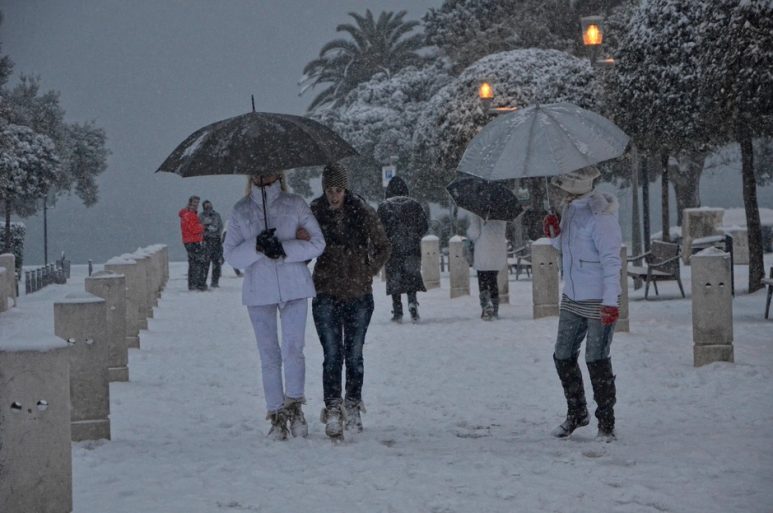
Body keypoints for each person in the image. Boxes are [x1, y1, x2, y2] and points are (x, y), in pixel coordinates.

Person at [223, 172, 325, 440]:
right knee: (268, 355)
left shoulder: (295, 203)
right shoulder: (241, 210)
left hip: (294, 286)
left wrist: (284, 249)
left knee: (294, 349)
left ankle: (295, 406)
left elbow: (318, 243)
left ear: (278, 171)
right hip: (259, 290)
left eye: (269, 168)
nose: (263, 172)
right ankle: (276, 413)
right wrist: (257, 246)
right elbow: (230, 255)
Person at [310, 162, 391, 439]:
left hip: (358, 294)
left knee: (354, 355)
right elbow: (304, 249)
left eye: (338, 190)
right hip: (325, 292)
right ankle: (333, 407)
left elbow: (383, 246)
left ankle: (353, 403)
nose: (334, 195)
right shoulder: (315, 212)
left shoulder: (362, 211)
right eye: (329, 190)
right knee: (332, 355)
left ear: (345, 189)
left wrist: (367, 269)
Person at [543, 166, 621, 442]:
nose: (560, 188)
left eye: (564, 183)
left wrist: (610, 302)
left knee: (596, 360)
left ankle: (606, 423)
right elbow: (567, 249)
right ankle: (577, 412)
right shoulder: (570, 210)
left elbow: (612, 261)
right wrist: (555, 234)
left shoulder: (602, 218)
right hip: (572, 297)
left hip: (599, 299)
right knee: (562, 355)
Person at [377, 176, 428, 323]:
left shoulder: (384, 206)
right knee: (411, 276)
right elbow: (424, 226)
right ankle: (412, 303)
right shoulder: (415, 204)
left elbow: (378, 229)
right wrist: (415, 237)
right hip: (412, 248)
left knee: (395, 278)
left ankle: (397, 310)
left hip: (392, 250)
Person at [466, 213, 507, 320]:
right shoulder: (502, 212)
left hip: (483, 251)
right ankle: (495, 308)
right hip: (497, 251)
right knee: (493, 281)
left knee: (483, 281)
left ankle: (486, 306)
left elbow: (474, 233)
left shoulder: (478, 213)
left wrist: (468, 232)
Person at [179, 195, 208, 291]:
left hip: (191, 240)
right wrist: (202, 226)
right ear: (190, 203)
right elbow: (193, 229)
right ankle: (197, 284)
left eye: (197, 203)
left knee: (194, 263)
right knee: (198, 262)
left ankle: (194, 284)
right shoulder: (188, 215)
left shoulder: (189, 214)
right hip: (192, 241)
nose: (196, 205)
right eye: (194, 202)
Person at [199, 200, 224, 288]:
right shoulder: (201, 216)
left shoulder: (217, 215)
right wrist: (207, 229)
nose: (209, 208)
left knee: (217, 262)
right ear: (204, 207)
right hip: (207, 240)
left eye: (210, 206)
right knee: (205, 262)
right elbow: (200, 227)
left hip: (216, 240)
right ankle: (203, 281)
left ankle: (215, 282)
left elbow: (220, 226)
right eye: (206, 206)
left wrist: (216, 232)